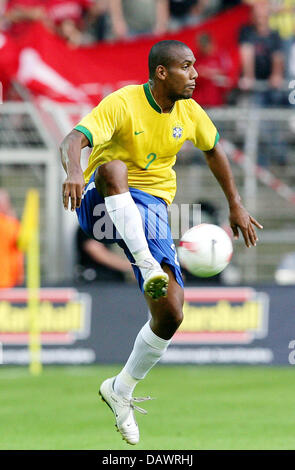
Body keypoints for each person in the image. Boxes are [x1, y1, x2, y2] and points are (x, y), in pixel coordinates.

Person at [60, 39, 263, 445]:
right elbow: (73, 138)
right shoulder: (123, 102)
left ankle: (121, 389)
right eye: (187, 67)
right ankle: (147, 264)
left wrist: (235, 205)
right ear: (161, 72)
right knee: (114, 167)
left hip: (150, 206)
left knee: (171, 314)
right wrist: (74, 171)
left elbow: (214, 151)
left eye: (194, 66)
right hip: (101, 198)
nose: (195, 74)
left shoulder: (189, 113)